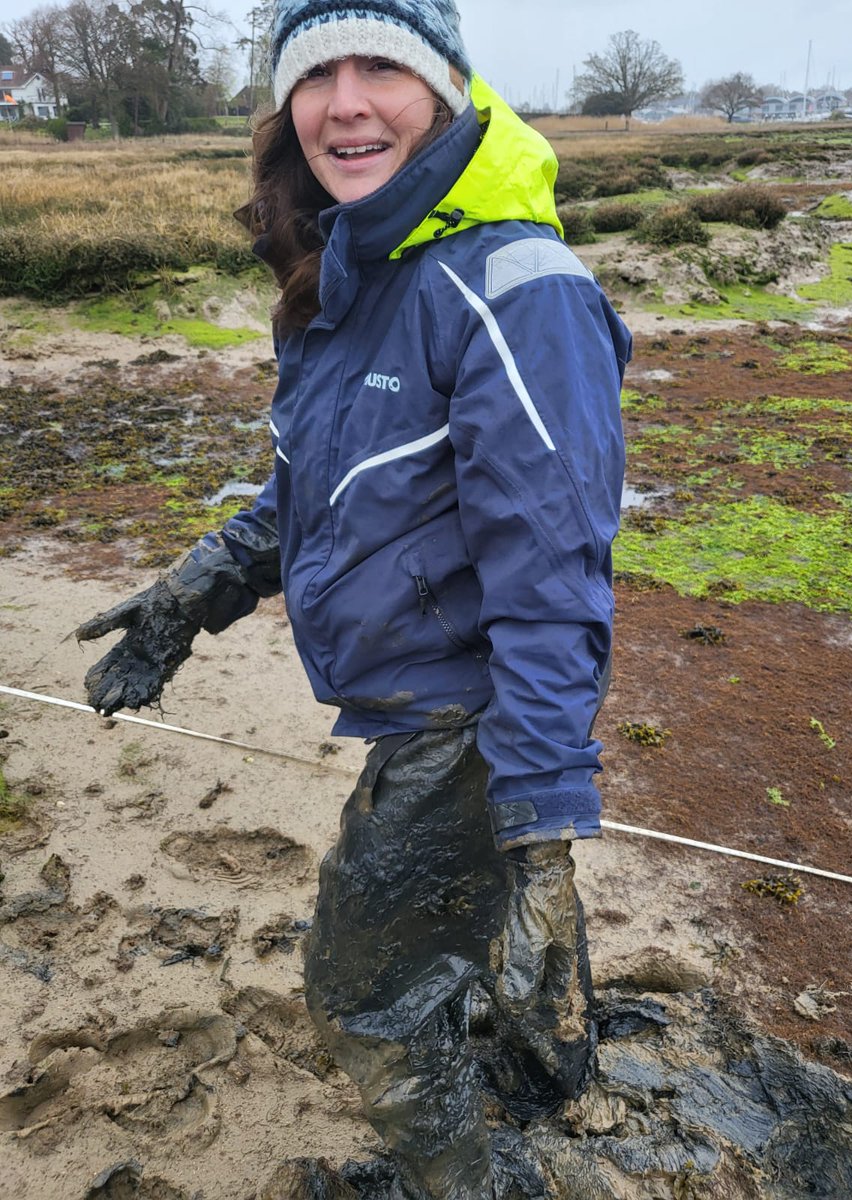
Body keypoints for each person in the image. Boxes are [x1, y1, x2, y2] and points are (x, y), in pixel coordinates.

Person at [76, 2, 630, 1195]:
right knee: (494, 953)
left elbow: (552, 591)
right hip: (426, 707)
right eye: (318, 72)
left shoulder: (515, 289)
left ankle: (478, 1178)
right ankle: (550, 1078)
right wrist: (190, 593)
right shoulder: (353, 261)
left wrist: (541, 841)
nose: (348, 102)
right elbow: (316, 490)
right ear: (285, 105)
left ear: (448, 88)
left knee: (363, 997)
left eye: (384, 65)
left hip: (471, 723)